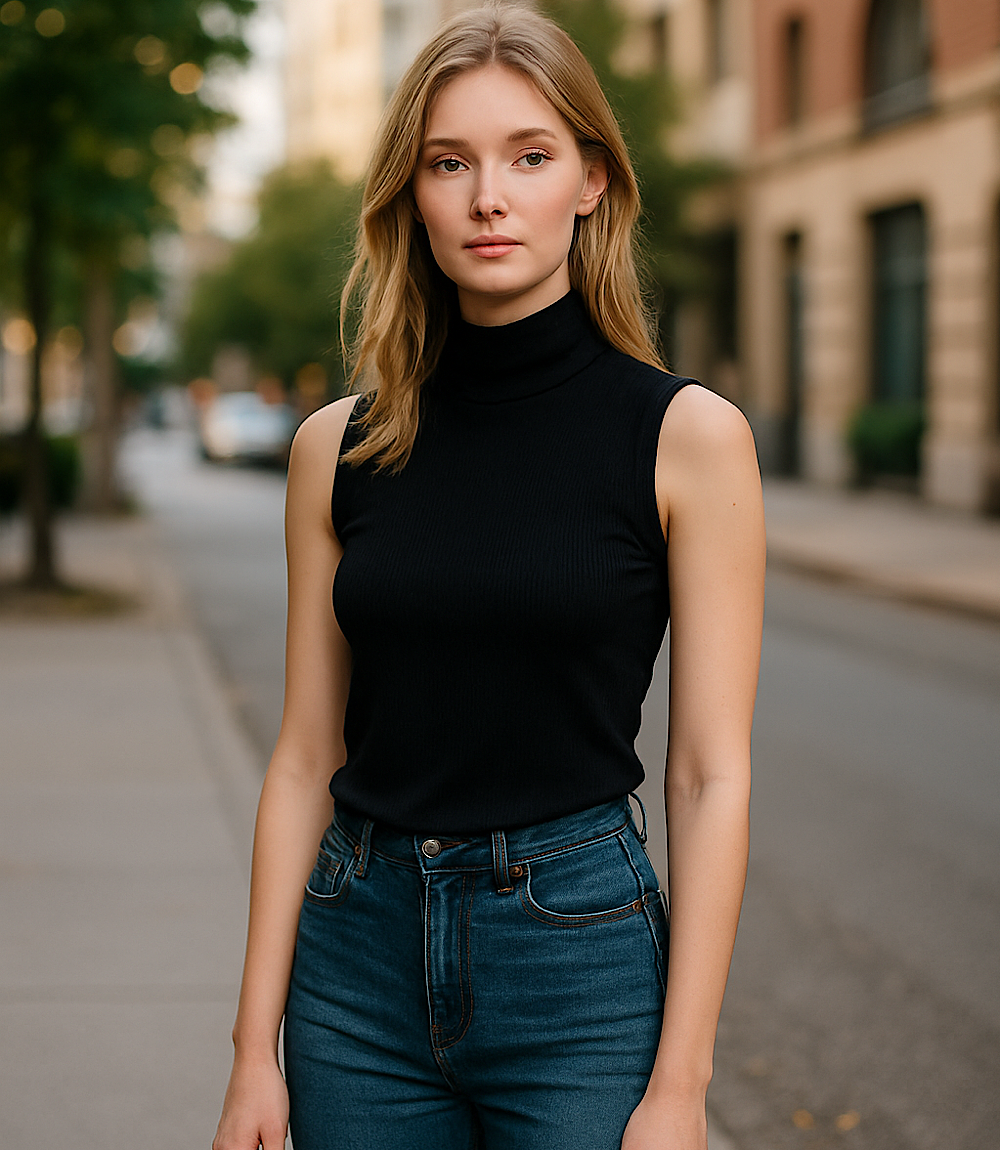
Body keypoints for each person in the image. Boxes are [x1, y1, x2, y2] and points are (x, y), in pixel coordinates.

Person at [212, 5, 765, 1150]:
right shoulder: (337, 447)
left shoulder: (685, 437)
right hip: (351, 963)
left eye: (529, 155)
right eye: (447, 163)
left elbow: (709, 774)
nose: (486, 198)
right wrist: (250, 1052)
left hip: (577, 963)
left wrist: (681, 1084)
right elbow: (307, 752)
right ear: (409, 195)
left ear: (591, 181)